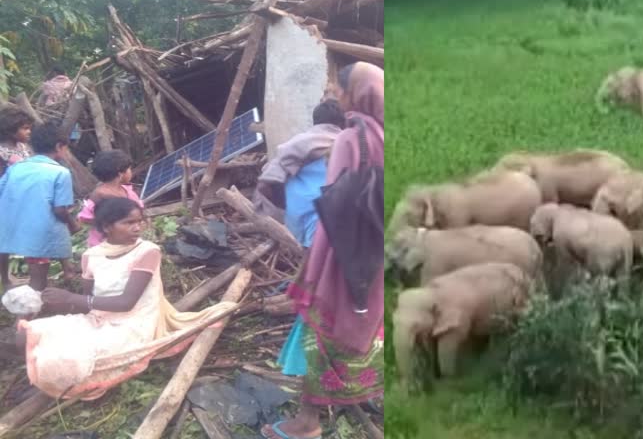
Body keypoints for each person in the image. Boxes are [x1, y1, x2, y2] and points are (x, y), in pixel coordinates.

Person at [261, 62, 385, 439]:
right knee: (370, 324)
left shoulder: (353, 138)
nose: (338, 96)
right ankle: (367, 394)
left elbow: (335, 205)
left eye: (339, 89)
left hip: (344, 254)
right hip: (380, 253)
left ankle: (307, 422)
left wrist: (316, 265)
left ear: (355, 94)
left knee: (321, 327)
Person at [14, 197, 236, 400]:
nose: (137, 227)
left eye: (139, 221)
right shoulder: (92, 256)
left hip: (132, 324)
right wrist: (56, 301)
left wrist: (72, 298)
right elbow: (88, 300)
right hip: (99, 319)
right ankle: (52, 376)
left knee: (62, 357)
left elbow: (126, 303)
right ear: (106, 227)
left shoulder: (147, 251)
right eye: (128, 223)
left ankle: (59, 381)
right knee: (27, 333)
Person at [256, 99, 347, 250]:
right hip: (330, 225)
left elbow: (266, 184)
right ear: (342, 122)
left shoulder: (294, 145)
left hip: (299, 225)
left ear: (315, 122)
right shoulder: (346, 146)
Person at [0, 122, 79, 291]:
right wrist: (73, 224)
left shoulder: (16, 168)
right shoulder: (60, 173)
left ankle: (66, 274)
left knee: (37, 273)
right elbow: (60, 210)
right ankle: (24, 315)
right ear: (59, 147)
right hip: (40, 235)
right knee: (37, 282)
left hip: (14, 228)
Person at [78, 149, 144, 248]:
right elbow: (85, 218)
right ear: (120, 173)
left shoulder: (126, 190)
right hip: (106, 243)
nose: (131, 171)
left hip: (128, 240)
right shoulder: (101, 194)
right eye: (129, 168)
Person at [0, 105, 34, 288]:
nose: (29, 132)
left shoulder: (23, 147)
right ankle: (4, 278)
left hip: (23, 196)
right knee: (3, 241)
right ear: (11, 130)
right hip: (5, 199)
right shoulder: (2, 151)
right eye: (25, 128)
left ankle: (33, 273)